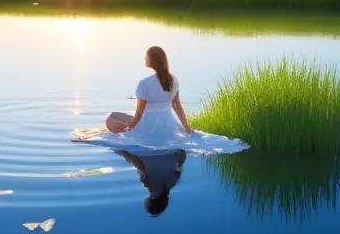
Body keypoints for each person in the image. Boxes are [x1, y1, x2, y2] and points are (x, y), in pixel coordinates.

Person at [71, 46, 249, 155]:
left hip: (147, 124)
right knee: (116, 118)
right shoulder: (174, 79)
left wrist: (128, 128)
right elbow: (177, 105)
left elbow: (139, 114)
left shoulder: (144, 83)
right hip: (167, 124)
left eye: (146, 56)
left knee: (109, 118)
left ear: (151, 61)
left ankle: (123, 129)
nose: (144, 59)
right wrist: (185, 127)